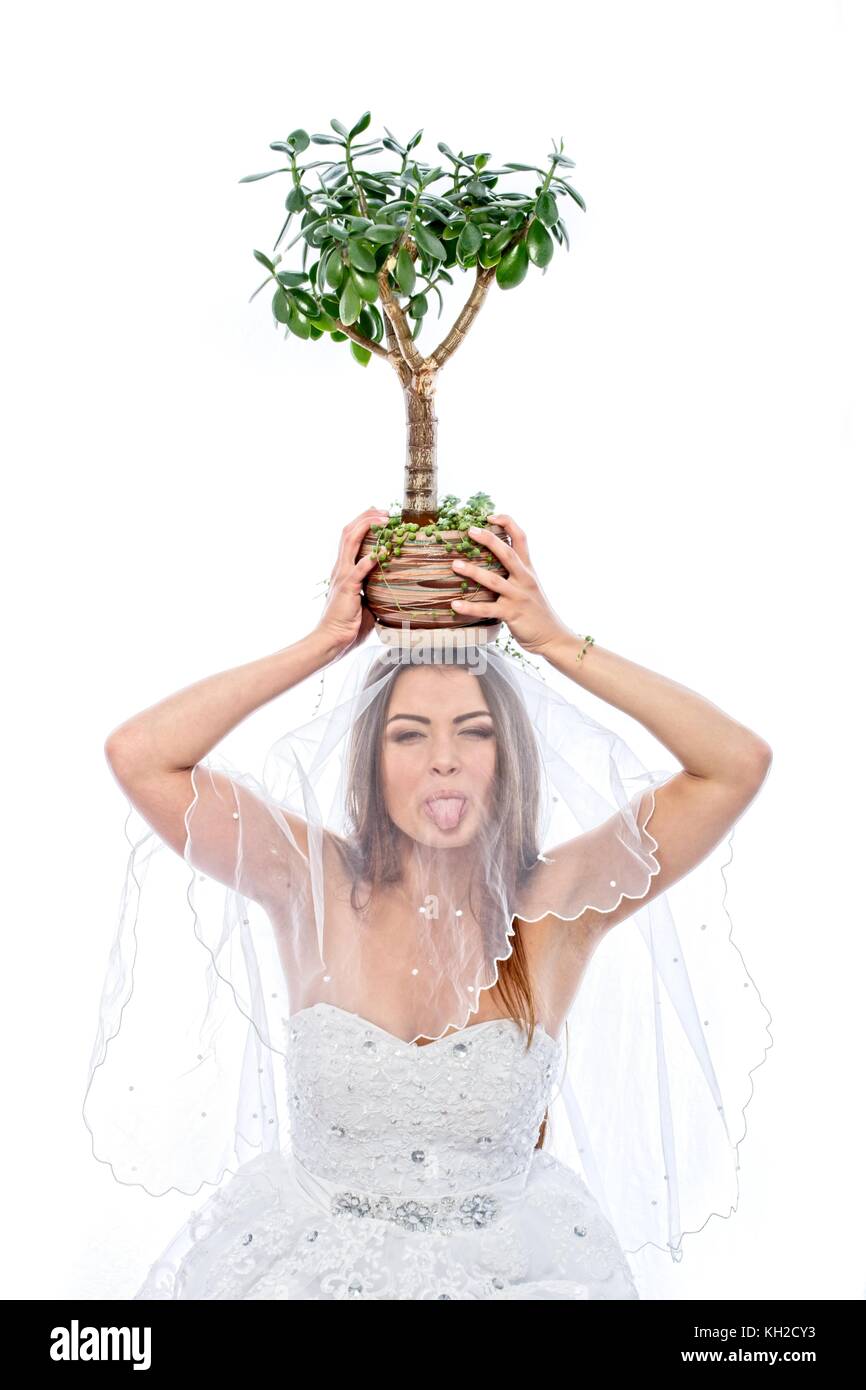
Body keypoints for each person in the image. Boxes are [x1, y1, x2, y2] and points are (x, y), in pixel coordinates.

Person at [87, 507, 773, 1300]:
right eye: (409, 736)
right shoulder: (309, 878)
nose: (444, 761)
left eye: (473, 733)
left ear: (505, 757)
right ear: (371, 761)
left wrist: (553, 642)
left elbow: (734, 765)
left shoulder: (556, 905)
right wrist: (323, 644)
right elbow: (141, 757)